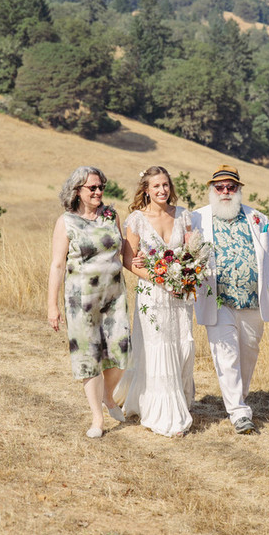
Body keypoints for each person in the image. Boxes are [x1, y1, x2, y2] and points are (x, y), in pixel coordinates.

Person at [192, 164, 269, 434]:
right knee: (226, 356)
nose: (225, 191)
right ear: (211, 190)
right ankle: (239, 413)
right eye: (220, 187)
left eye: (231, 187)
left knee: (248, 354)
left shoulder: (258, 218)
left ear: (239, 190)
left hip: (253, 301)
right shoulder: (197, 219)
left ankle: (239, 399)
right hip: (218, 299)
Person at [48, 166, 130, 439]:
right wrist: (52, 306)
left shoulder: (111, 215)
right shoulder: (67, 221)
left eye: (100, 187)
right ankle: (97, 418)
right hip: (80, 300)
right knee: (89, 358)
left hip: (115, 297)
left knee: (121, 353)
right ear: (77, 191)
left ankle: (108, 396)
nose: (98, 192)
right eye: (91, 188)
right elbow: (58, 265)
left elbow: (124, 253)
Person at [114, 166, 195, 437]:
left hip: (179, 296)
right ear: (146, 190)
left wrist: (185, 276)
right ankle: (163, 411)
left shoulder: (183, 216)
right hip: (152, 294)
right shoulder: (136, 220)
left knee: (181, 345)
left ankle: (180, 399)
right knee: (158, 346)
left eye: (166, 185)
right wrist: (159, 279)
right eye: (156, 186)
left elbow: (192, 253)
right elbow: (128, 259)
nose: (162, 190)